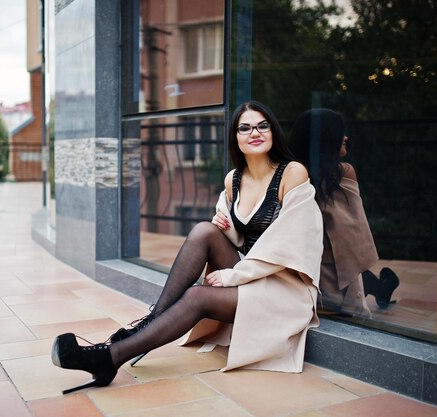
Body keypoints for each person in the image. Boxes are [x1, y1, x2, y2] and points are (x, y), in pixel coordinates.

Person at [51, 100, 323, 394]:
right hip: (251, 275)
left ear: (273, 131)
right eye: (244, 128)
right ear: (235, 137)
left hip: (283, 287)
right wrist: (227, 228)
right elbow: (242, 240)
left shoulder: (293, 173)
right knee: (204, 231)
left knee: (196, 296)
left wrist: (233, 276)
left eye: (262, 125)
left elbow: (288, 245)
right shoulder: (234, 180)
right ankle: (146, 327)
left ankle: (110, 356)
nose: (254, 133)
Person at [288, 108, 400, 317]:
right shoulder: (341, 173)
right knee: (352, 275)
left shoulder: (291, 175)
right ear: (326, 138)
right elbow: (352, 235)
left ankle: (383, 286)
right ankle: (384, 286)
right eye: (341, 132)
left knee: (352, 272)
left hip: (314, 275)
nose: (346, 138)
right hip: (323, 279)